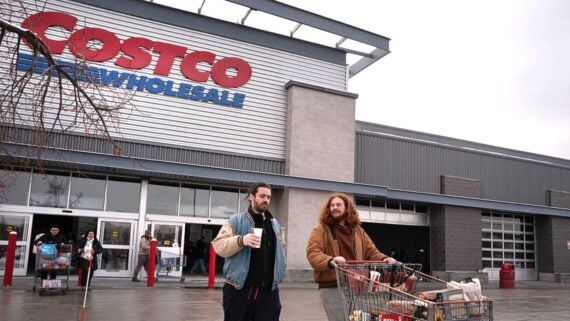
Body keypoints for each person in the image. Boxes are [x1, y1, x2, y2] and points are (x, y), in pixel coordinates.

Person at [306, 192, 397, 321]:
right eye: (332, 205)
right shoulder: (321, 229)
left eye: (338, 204)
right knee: (340, 318)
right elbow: (313, 253)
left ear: (347, 208)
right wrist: (331, 260)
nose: (334, 208)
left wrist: (384, 258)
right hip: (331, 284)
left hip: (354, 284)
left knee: (353, 318)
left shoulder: (357, 231)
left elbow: (371, 251)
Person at [212, 182, 286, 321]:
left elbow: (281, 250)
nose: (266, 200)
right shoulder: (237, 221)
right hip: (239, 290)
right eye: (262, 196)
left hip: (269, 293)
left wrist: (280, 274)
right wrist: (241, 240)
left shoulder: (274, 224)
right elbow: (218, 245)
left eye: (269, 197)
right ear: (251, 196)